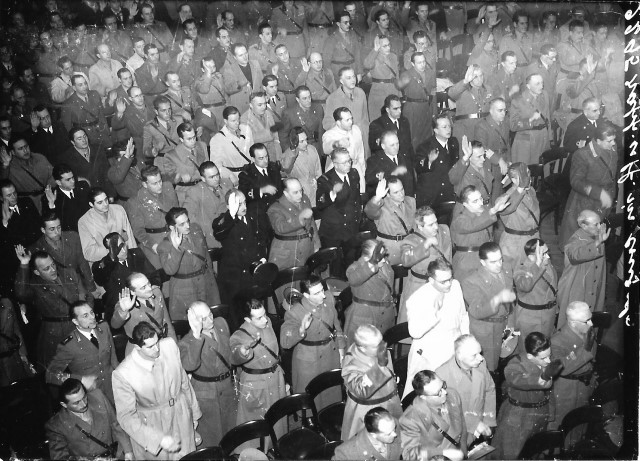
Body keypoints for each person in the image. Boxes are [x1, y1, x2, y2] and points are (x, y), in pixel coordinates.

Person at [112, 321, 202, 460]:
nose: (157, 349)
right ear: (137, 347)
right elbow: (126, 416)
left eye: (157, 342)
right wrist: (157, 439)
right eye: (150, 347)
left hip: (181, 416)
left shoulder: (169, 345)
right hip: (153, 427)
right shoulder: (123, 373)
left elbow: (184, 382)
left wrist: (194, 414)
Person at [15, 247, 92, 368]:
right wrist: (24, 264)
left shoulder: (70, 273)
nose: (53, 270)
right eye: (46, 269)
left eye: (53, 264)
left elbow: (87, 296)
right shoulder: (36, 286)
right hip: (56, 334)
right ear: (37, 272)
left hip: (80, 326)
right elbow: (21, 293)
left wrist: (87, 317)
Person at [404, 258, 469, 399]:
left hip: (454, 347)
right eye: (443, 282)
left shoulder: (456, 286)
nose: (448, 284)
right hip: (430, 353)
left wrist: (465, 341)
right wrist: (434, 312)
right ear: (431, 280)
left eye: (450, 278)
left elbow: (463, 316)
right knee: (431, 394)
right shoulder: (417, 299)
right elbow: (414, 332)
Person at [491, 332, 562, 460]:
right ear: (530, 356)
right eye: (543, 358)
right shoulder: (515, 365)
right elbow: (520, 381)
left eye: (549, 356)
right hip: (519, 416)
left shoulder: (545, 358)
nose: (548, 360)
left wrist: (550, 412)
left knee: (534, 451)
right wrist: (542, 378)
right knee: (511, 454)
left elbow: (548, 392)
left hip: (540, 413)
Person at [281, 274, 345, 407]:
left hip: (330, 353)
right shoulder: (295, 312)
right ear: (306, 295)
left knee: (331, 393)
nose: (323, 295)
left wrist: (341, 350)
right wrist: (301, 330)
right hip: (309, 361)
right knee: (311, 397)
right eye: (317, 293)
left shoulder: (329, 299)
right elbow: (285, 342)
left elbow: (337, 327)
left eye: (322, 290)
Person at [230, 300, 287, 447]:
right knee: (258, 423)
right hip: (256, 383)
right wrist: (242, 352)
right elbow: (234, 356)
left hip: (275, 378)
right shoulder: (239, 335)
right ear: (247, 319)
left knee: (277, 418)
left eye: (265, 315)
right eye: (259, 318)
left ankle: (276, 445)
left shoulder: (267, 323)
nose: (265, 320)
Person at [179, 302, 237, 447]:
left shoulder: (221, 323)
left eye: (210, 314)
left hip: (227, 385)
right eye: (203, 319)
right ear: (193, 320)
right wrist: (196, 335)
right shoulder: (187, 341)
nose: (210, 320)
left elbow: (229, 353)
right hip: (207, 393)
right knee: (213, 435)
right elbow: (189, 366)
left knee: (231, 428)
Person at [212, 189, 271, 330]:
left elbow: (263, 238)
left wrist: (262, 257)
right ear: (229, 206)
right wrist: (230, 215)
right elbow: (219, 231)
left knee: (256, 313)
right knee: (238, 317)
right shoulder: (224, 221)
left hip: (252, 275)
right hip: (235, 279)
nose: (244, 207)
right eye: (239, 204)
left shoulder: (252, 217)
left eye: (244, 202)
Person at [46, 301, 119, 403]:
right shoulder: (68, 345)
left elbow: (113, 357)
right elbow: (51, 375)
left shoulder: (103, 327)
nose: (92, 317)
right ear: (75, 321)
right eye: (85, 316)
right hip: (92, 395)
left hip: (113, 385)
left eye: (91, 312)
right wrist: (80, 380)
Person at [460, 242, 516, 375]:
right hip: (487, 330)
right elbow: (477, 311)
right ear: (482, 262)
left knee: (506, 357)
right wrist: (497, 299)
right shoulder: (471, 281)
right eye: (493, 262)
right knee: (489, 368)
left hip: (505, 323)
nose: (499, 264)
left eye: (500, 259)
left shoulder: (506, 269)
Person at [559, 123, 618, 247]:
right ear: (598, 141)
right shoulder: (582, 154)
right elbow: (576, 182)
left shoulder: (612, 148)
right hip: (585, 202)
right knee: (580, 241)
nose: (613, 144)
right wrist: (599, 194)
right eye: (609, 141)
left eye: (614, 140)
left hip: (605, 200)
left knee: (598, 237)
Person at [45, 378, 133, 460]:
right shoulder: (56, 425)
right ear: (64, 405)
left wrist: (128, 451)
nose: (83, 404)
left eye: (84, 397)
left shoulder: (98, 397)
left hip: (115, 455)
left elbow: (116, 425)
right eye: (76, 403)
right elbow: (60, 458)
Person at [158, 207, 220, 321]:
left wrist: (211, 277)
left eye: (187, 221)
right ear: (172, 227)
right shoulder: (164, 246)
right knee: (192, 322)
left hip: (205, 282)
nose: (187, 226)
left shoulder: (196, 229)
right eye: (182, 224)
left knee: (211, 318)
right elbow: (170, 270)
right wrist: (176, 248)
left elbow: (206, 255)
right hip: (185, 290)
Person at [341, 324, 402, 441]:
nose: (382, 347)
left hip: (389, 403)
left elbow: (389, 371)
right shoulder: (352, 364)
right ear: (363, 348)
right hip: (367, 412)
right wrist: (380, 367)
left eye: (381, 342)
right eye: (376, 346)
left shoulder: (379, 349)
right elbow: (361, 391)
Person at [436, 334, 496, 446]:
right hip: (459, 433)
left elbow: (490, 390)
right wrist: (474, 424)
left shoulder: (480, 364)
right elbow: (445, 412)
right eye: (474, 355)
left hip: (481, 426)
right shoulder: (441, 375)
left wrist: (489, 420)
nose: (481, 358)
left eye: (480, 353)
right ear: (459, 356)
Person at [549, 301, 597, 439]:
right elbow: (562, 368)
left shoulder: (586, 330)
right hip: (567, 390)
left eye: (591, 318)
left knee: (580, 423)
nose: (591, 323)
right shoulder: (557, 341)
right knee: (563, 424)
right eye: (587, 321)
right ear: (574, 323)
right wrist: (585, 350)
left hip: (584, 384)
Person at [397, 206, 452, 325]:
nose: (436, 227)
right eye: (430, 225)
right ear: (420, 226)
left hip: (442, 285)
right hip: (420, 286)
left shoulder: (444, 230)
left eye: (436, 221)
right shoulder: (410, 240)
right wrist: (425, 245)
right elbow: (405, 260)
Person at [557, 210, 610, 328]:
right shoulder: (575, 240)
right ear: (584, 226)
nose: (599, 227)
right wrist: (598, 242)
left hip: (593, 290)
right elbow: (575, 255)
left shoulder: (596, 236)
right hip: (577, 290)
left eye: (600, 223)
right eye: (595, 224)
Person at [400, 370, 467, 461]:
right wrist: (442, 453)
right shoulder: (410, 419)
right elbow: (409, 455)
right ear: (423, 397)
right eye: (439, 392)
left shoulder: (453, 395)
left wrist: (464, 452)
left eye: (443, 385)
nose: (445, 392)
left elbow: (462, 425)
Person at [316, 147, 363, 277]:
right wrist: (331, 195)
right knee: (336, 268)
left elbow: (356, 199)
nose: (348, 164)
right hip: (335, 232)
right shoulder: (325, 180)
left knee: (351, 263)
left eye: (349, 160)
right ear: (335, 164)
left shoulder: (354, 174)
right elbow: (320, 204)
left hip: (351, 228)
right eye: (344, 162)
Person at [29, 211, 97, 297]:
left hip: (81, 285)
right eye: (52, 229)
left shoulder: (73, 237)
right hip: (59, 294)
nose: (57, 232)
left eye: (59, 227)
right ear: (43, 230)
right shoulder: (35, 249)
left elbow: (83, 264)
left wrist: (91, 288)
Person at [450, 185, 508, 280]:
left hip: (485, 259)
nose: (481, 203)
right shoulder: (459, 220)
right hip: (467, 264)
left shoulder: (483, 212)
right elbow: (474, 224)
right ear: (465, 204)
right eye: (475, 201)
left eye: (480, 198)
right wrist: (493, 211)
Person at [344, 239, 395, 346]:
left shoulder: (384, 263)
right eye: (379, 257)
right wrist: (372, 263)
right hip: (366, 320)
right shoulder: (355, 268)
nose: (384, 260)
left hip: (384, 317)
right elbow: (353, 279)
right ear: (366, 258)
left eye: (383, 255)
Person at [514, 239, 558, 350]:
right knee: (529, 351)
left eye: (547, 252)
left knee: (545, 348)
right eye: (543, 253)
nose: (548, 256)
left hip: (548, 316)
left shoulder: (547, 263)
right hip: (531, 319)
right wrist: (537, 264)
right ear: (531, 256)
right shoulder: (521, 269)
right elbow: (525, 286)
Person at [267, 177, 318, 270]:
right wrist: (300, 219)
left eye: (301, 190)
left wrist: (316, 244)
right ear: (286, 193)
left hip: (307, 249)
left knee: (306, 275)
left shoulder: (305, 199)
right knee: (286, 278)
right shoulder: (275, 208)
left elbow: (311, 223)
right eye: (295, 192)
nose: (300, 195)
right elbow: (281, 227)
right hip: (287, 253)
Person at [78, 187, 137, 263]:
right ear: (91, 204)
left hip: (124, 256)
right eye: (100, 202)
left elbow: (130, 238)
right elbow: (88, 253)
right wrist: (114, 249)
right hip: (103, 262)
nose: (105, 204)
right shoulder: (84, 222)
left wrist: (134, 256)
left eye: (106, 199)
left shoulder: (119, 210)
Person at [183, 161, 233, 250]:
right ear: (203, 178)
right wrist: (201, 233)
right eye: (211, 177)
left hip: (229, 235)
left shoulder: (226, 185)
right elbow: (188, 216)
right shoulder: (194, 192)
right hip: (210, 239)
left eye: (217, 175)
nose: (216, 179)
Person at [365, 176, 415, 264]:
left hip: (409, 246)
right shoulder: (381, 206)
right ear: (388, 194)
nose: (401, 194)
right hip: (390, 250)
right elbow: (369, 211)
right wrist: (377, 198)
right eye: (396, 192)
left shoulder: (410, 201)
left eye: (402, 189)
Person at [323, 67, 370, 159]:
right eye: (348, 78)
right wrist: (343, 130)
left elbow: (365, 118)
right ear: (341, 81)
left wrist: (365, 132)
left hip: (362, 139)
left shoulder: (361, 93)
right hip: (345, 142)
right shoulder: (332, 98)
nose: (353, 80)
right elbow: (327, 123)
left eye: (353, 76)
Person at [1, 133, 55, 213]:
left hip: (48, 198)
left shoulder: (40, 158)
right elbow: (3, 183)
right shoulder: (10, 166)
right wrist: (5, 166)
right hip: (28, 206)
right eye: (20, 149)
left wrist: (48, 189)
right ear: (13, 152)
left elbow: (53, 175)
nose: (25, 151)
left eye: (26, 146)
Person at [498, 163, 540, 266]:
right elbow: (505, 208)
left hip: (533, 240)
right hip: (514, 245)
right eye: (523, 175)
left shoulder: (531, 191)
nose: (528, 177)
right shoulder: (506, 197)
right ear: (513, 179)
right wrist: (520, 189)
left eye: (528, 173)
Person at [414, 114, 459, 207]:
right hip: (432, 197)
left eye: (449, 126)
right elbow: (418, 168)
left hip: (449, 193)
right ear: (436, 130)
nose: (448, 129)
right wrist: (429, 161)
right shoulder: (425, 147)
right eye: (444, 127)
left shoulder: (453, 142)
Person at [60, 73, 112, 148]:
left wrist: (106, 131)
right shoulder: (68, 104)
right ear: (74, 87)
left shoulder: (94, 94)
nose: (84, 86)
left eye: (85, 83)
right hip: (86, 137)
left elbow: (101, 115)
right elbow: (68, 128)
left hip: (101, 132)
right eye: (80, 85)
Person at [509, 73, 551, 165]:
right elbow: (513, 125)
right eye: (537, 84)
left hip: (543, 137)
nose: (541, 86)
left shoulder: (544, 95)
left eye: (542, 83)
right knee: (526, 170)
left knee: (543, 168)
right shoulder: (518, 101)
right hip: (527, 142)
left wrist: (550, 137)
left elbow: (547, 117)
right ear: (528, 86)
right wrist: (530, 120)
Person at [474, 97, 511, 199]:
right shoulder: (482, 126)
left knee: (503, 194)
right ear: (491, 111)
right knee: (493, 194)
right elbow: (482, 148)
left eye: (505, 110)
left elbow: (507, 144)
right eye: (500, 110)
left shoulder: (505, 123)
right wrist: (499, 160)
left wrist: (509, 161)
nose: (503, 113)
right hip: (490, 165)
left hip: (504, 163)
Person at [447, 65, 494, 145]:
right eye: (476, 77)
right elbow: (451, 93)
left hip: (483, 130)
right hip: (465, 130)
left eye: (481, 75)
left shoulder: (488, 89)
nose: (480, 79)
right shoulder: (462, 89)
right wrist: (465, 81)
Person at [322, 107, 366, 192]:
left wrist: (363, 171)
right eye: (347, 120)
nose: (351, 122)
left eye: (351, 118)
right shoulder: (329, 134)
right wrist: (337, 143)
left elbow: (361, 152)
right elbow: (326, 149)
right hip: (339, 172)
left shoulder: (356, 130)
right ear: (338, 122)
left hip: (356, 168)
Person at [333, 407, 402, 461]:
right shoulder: (347, 453)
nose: (395, 434)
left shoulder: (391, 424)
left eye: (394, 429)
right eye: (388, 434)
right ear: (373, 435)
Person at [209, 106, 254, 186]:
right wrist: (229, 175)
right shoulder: (217, 139)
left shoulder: (246, 129)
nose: (237, 123)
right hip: (235, 178)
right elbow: (216, 166)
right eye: (233, 121)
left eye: (238, 119)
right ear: (225, 121)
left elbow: (253, 152)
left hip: (252, 173)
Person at [398, 49, 434, 149]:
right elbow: (399, 86)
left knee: (427, 137)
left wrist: (433, 111)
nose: (422, 65)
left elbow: (433, 93)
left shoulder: (430, 73)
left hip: (426, 108)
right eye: (419, 62)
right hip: (412, 109)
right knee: (413, 138)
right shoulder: (407, 75)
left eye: (424, 61)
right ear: (412, 64)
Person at [164, 122, 207, 203]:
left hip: (203, 188)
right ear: (181, 139)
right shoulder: (171, 155)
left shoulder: (202, 146)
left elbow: (207, 166)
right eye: (189, 139)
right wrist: (179, 176)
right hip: (185, 192)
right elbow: (169, 179)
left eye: (194, 137)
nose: (193, 141)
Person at [279, 126, 322, 205]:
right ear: (294, 142)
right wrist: (292, 149)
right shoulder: (288, 155)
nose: (306, 143)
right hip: (300, 196)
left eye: (306, 139)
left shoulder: (312, 149)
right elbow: (286, 167)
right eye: (302, 141)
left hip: (315, 192)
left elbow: (318, 170)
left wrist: (319, 184)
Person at [143, 96, 185, 174]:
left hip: (181, 158)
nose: (168, 113)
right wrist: (154, 150)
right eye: (163, 110)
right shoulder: (150, 127)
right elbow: (145, 150)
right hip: (163, 163)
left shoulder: (179, 120)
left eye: (169, 109)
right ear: (156, 111)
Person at [63, 127, 111, 194]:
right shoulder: (68, 157)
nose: (84, 140)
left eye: (84, 136)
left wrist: (111, 194)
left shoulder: (98, 149)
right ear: (73, 142)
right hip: (85, 193)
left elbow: (107, 172)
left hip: (103, 191)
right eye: (79, 139)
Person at [43, 164, 90, 233]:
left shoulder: (83, 186)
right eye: (68, 180)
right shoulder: (50, 197)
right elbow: (52, 223)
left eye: (72, 177)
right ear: (59, 182)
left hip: (91, 226)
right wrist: (52, 204)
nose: (73, 181)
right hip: (72, 233)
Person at [364, 35, 400, 122]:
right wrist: (375, 50)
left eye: (389, 45)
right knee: (379, 120)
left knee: (394, 120)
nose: (388, 48)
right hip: (379, 93)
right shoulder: (374, 58)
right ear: (378, 47)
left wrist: (399, 94)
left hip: (393, 91)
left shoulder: (393, 56)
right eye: (385, 46)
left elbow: (397, 76)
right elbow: (367, 65)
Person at [222, 44, 264, 115]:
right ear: (235, 57)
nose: (245, 57)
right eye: (241, 55)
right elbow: (228, 89)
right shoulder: (229, 69)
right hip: (242, 108)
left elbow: (262, 83)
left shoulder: (255, 63)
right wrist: (241, 83)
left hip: (257, 106)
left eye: (245, 53)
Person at [323, 10, 363, 84]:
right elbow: (326, 61)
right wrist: (330, 78)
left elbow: (357, 54)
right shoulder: (331, 39)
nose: (348, 24)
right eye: (345, 22)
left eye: (349, 22)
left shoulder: (353, 34)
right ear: (338, 24)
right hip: (338, 72)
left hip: (352, 69)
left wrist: (359, 72)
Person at [241, 91, 283, 163]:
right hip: (258, 158)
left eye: (265, 103)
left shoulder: (268, 113)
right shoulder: (244, 119)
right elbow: (249, 143)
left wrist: (279, 157)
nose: (264, 107)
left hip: (273, 156)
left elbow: (276, 138)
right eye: (260, 105)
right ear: (251, 105)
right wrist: (269, 135)